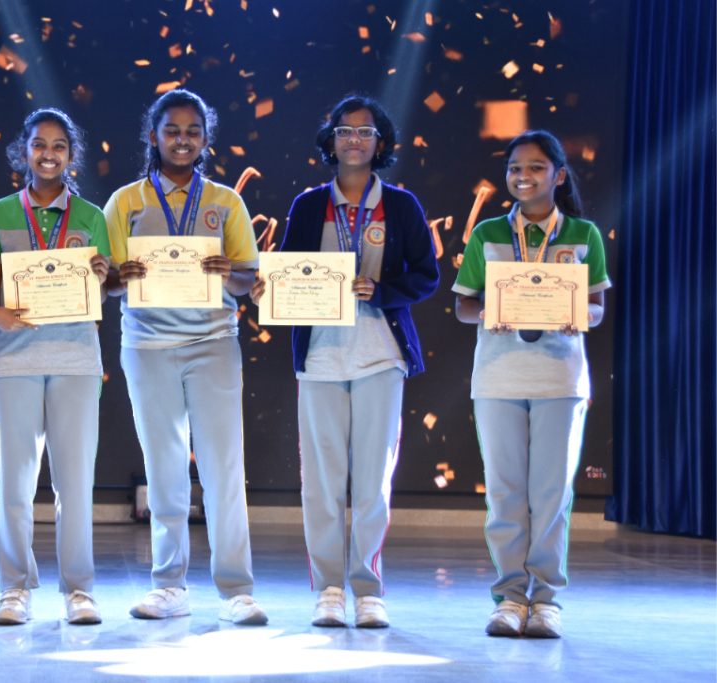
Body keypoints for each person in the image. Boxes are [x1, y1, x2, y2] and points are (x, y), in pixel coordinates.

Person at [250, 95, 439, 628]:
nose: (354, 140)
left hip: (380, 355)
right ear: (330, 140)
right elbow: (290, 271)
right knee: (321, 482)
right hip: (321, 357)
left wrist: (382, 290)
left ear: (381, 143)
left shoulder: (401, 205)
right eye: (344, 131)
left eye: (364, 131)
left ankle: (368, 587)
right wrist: (270, 289)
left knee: (373, 480)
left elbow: (426, 276)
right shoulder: (310, 204)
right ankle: (329, 588)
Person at [104, 89, 267, 625]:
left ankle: (236, 589)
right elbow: (103, 280)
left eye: (193, 131)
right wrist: (119, 276)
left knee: (224, 467)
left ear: (205, 139)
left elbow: (247, 280)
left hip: (212, 343)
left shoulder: (226, 201)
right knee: (164, 468)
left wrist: (227, 271)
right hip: (147, 346)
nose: (182, 140)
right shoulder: (125, 202)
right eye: (172, 130)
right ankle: (169, 585)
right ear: (153, 136)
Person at [453, 130, 610, 638]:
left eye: (536, 167)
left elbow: (597, 308)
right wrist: (490, 310)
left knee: (551, 494)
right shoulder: (488, 234)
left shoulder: (583, 234)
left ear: (558, 175)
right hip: (498, 377)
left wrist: (576, 312)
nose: (524, 176)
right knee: (504, 492)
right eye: (515, 167)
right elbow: (463, 306)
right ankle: (509, 596)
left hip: (561, 378)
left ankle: (545, 599)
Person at [0, 108, 110, 626]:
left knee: (75, 481)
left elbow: (101, 288)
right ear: (24, 152)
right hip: (13, 357)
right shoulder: (0, 212)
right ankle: (13, 588)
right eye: (38, 144)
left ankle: (79, 589)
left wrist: (102, 274)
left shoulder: (91, 216)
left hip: (75, 356)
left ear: (71, 156)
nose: (48, 154)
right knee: (14, 482)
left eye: (58, 146)